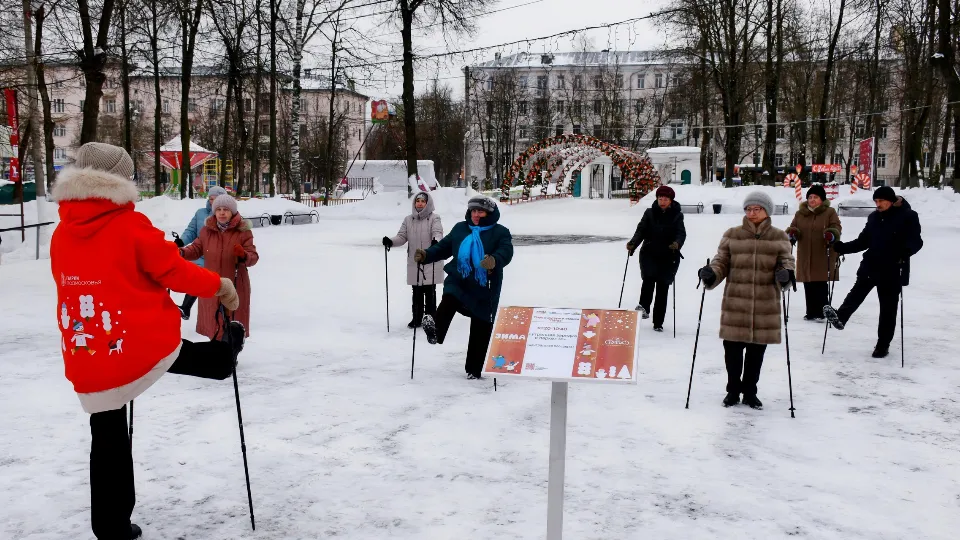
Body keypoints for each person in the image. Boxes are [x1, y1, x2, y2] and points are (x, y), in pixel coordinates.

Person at [50, 142, 244, 540]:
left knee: (106, 435)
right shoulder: (129, 225)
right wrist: (219, 284)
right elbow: (174, 270)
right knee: (175, 354)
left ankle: (111, 525)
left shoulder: (62, 230)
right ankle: (224, 357)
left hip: (87, 347)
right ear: (120, 181)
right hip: (135, 336)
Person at [698, 191, 795, 409]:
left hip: (764, 304)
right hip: (736, 304)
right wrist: (711, 273)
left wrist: (786, 274)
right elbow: (721, 261)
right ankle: (733, 390)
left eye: (756, 209)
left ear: (766, 211)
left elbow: (787, 262)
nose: (751, 213)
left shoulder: (779, 237)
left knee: (756, 353)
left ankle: (750, 391)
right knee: (732, 351)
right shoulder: (732, 234)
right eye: (748, 209)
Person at [416, 196, 513, 379]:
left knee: (481, 324)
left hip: (485, 286)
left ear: (489, 214)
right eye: (474, 211)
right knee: (450, 296)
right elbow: (444, 247)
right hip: (460, 278)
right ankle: (435, 331)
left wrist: (494, 260)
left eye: (481, 211)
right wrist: (426, 255)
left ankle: (474, 369)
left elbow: (506, 251)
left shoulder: (500, 232)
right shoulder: (461, 228)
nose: (476, 215)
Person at [823, 186, 923, 358]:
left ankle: (882, 345)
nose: (878, 204)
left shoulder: (908, 216)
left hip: (893, 268)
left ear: (891, 201)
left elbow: (917, 241)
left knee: (888, 310)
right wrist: (843, 248)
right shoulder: (874, 217)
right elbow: (863, 241)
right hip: (871, 264)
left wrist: (906, 251)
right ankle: (840, 318)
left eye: (881, 201)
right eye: (876, 201)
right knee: (855, 294)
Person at [182, 194, 259, 339]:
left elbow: (253, 257)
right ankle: (216, 356)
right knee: (213, 324)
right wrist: (181, 252)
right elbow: (195, 249)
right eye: (218, 209)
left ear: (233, 212)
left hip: (235, 285)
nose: (222, 213)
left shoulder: (243, 231)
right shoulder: (206, 231)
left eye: (226, 209)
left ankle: (230, 357)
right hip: (212, 283)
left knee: (231, 326)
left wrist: (244, 255)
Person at [626, 185, 686, 331]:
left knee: (662, 287)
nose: (662, 201)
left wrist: (677, 244)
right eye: (660, 198)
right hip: (650, 252)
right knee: (648, 277)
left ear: (671, 200)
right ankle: (644, 307)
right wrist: (633, 243)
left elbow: (681, 233)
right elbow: (641, 230)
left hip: (668, 255)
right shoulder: (649, 213)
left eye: (665, 199)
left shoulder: (677, 215)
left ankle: (658, 323)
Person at [382, 191, 444, 328]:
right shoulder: (408, 220)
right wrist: (390, 242)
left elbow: (438, 232)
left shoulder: (435, 218)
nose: (420, 203)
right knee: (416, 291)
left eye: (423, 201)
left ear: (428, 203)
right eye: (418, 201)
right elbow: (402, 237)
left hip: (430, 259)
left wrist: (436, 242)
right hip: (414, 260)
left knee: (429, 291)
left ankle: (430, 319)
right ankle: (416, 318)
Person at [785, 184, 842, 321]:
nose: (812, 200)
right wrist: (792, 233)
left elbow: (836, 227)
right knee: (808, 282)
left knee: (821, 283)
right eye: (810, 197)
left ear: (822, 199)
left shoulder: (829, 212)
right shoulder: (800, 214)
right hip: (805, 252)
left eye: (815, 197)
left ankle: (823, 310)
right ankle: (811, 311)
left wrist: (831, 234)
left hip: (823, 251)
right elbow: (794, 227)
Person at [174, 185, 228, 320]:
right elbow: (191, 231)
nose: (212, 201)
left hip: (216, 256)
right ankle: (184, 307)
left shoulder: (225, 215)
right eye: (210, 198)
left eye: (216, 199)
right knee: (193, 277)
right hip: (198, 253)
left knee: (203, 280)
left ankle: (189, 308)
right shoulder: (200, 213)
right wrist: (179, 243)